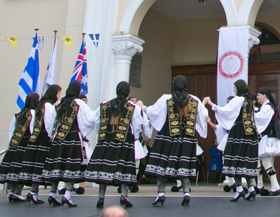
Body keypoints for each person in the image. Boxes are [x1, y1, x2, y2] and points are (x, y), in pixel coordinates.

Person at [144, 75, 208, 206]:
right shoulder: (194, 100)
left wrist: (142, 107)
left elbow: (153, 112)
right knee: (184, 165)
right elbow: (204, 115)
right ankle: (186, 193)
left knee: (162, 165)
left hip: (168, 136)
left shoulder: (166, 98)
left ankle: (161, 194)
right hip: (186, 138)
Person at [84, 82, 148, 209]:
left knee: (104, 169)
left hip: (107, 140)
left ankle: (101, 198)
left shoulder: (105, 105)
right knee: (124, 168)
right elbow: (137, 125)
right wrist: (134, 137)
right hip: (124, 140)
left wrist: (101, 134)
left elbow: (96, 121)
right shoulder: (133, 107)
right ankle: (124, 197)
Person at [206, 79, 261, 202]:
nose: (233, 90)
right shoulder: (249, 101)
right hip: (250, 134)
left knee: (235, 160)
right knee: (247, 161)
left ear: (239, 88)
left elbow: (226, 111)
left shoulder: (238, 100)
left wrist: (211, 104)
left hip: (239, 133)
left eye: (234, 87)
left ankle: (239, 189)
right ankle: (251, 189)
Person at [42, 81, 95, 207]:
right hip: (72, 136)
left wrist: (53, 136)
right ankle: (67, 195)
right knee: (71, 167)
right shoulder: (79, 103)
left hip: (59, 138)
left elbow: (53, 122)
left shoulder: (61, 104)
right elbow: (90, 118)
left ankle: (52, 194)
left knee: (58, 166)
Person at [17, 85, 59, 204]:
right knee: (40, 166)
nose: (59, 96)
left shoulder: (39, 106)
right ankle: (34, 192)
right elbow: (50, 123)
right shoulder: (49, 107)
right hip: (43, 139)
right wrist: (51, 136)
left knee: (35, 166)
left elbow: (32, 124)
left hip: (35, 138)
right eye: (58, 93)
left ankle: (33, 192)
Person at [0, 92, 39, 202]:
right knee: (22, 169)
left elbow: (12, 129)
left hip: (15, 144)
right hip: (26, 144)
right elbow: (33, 129)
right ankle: (17, 192)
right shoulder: (33, 113)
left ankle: (13, 192)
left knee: (15, 169)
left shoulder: (19, 113)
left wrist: (12, 143)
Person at [254, 87, 280, 196]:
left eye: (259, 95)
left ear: (264, 95)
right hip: (268, 139)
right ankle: (274, 186)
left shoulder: (267, 108)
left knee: (267, 164)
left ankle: (276, 187)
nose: (257, 97)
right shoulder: (265, 107)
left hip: (269, 139)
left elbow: (261, 119)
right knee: (268, 164)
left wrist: (250, 113)